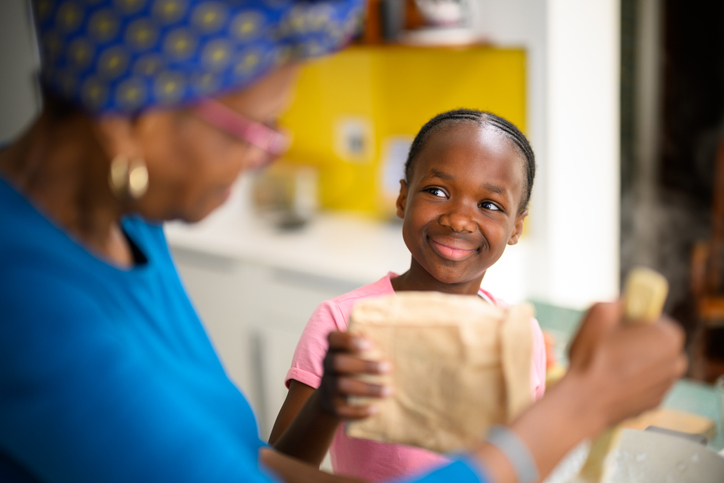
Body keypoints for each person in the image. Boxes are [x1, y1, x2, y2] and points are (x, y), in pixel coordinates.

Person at [0, 1, 687, 483]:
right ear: (132, 119)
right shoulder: (24, 307)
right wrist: (584, 403)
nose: (268, 156)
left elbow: (241, 459)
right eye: (256, 127)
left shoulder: (127, 225)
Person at [269, 108, 546, 481]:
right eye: (437, 191)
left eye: (490, 205)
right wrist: (327, 401)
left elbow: (526, 460)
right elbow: (278, 471)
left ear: (516, 227)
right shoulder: (344, 324)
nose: (458, 219)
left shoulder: (521, 334)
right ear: (402, 198)